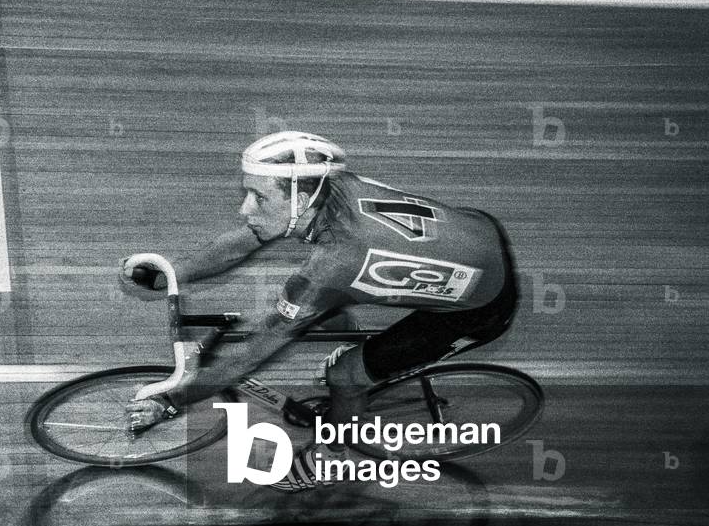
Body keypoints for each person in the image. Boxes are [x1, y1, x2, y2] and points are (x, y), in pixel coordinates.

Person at [121, 131, 518, 492]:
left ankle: (333, 456)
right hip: (473, 232)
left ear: (300, 197)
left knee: (342, 375)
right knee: (324, 304)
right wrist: (171, 275)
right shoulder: (328, 187)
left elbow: (245, 362)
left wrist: (171, 401)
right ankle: (356, 348)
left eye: (259, 197)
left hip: (480, 306)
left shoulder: (333, 266)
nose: (244, 208)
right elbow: (244, 242)